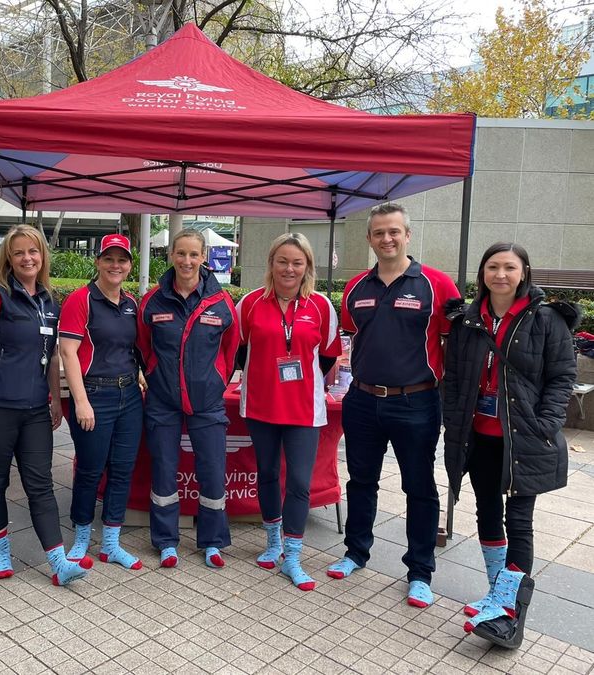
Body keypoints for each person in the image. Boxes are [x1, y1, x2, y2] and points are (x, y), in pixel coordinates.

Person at [326, 202, 460, 609]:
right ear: (369, 239)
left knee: (418, 488)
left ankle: (420, 572)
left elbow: (456, 345)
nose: (387, 239)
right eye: (379, 233)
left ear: (407, 235)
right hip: (363, 400)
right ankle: (355, 553)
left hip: (416, 402)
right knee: (361, 481)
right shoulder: (355, 288)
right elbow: (352, 337)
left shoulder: (437, 284)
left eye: (394, 232)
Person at [443, 242, 577, 648]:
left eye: (509, 268)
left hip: (524, 439)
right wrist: (452, 422)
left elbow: (561, 375)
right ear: (483, 273)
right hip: (479, 435)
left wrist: (548, 422)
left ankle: (509, 613)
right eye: (493, 267)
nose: (500, 275)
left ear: (524, 273)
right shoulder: (468, 319)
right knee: (486, 511)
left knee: (518, 521)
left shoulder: (546, 319)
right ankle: (496, 595)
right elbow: (455, 377)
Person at [0, 224, 91, 586]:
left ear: (42, 256)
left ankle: (59, 562)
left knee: (40, 484)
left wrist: (56, 400)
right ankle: (1, 549)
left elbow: (49, 356)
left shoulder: (49, 301)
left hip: (34, 410)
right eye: (19, 253)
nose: (27, 258)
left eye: (33, 251)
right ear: (9, 259)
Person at [236, 233, 341, 590]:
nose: (289, 268)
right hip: (261, 405)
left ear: (307, 266)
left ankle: (293, 556)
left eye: (297, 262)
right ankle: (272, 542)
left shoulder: (322, 307)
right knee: (266, 474)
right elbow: (238, 350)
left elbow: (327, 355)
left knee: (298, 481)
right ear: (271, 264)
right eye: (283, 261)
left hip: (304, 409)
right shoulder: (249, 303)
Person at [137, 229, 240, 569]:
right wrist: (153, 372)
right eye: (180, 254)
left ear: (204, 257)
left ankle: (212, 542)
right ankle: (166, 541)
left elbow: (232, 347)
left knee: (212, 469)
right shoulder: (153, 300)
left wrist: (216, 380)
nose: (187, 261)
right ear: (171, 255)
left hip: (207, 401)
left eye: (193, 255)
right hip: (163, 399)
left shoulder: (221, 302)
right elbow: (143, 345)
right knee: (164, 469)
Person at [59, 234, 144, 570]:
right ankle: (81, 539)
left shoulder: (131, 303)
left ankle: (110, 543)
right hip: (95, 394)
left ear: (129, 266)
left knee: (122, 470)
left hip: (129, 396)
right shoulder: (82, 299)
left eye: (122, 260)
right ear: (97, 262)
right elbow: (67, 351)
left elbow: (132, 350)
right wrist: (80, 402)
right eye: (109, 258)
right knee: (90, 471)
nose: (115, 265)